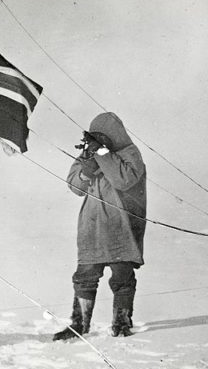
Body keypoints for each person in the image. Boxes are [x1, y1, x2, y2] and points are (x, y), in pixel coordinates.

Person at [53, 112, 146, 341]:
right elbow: (74, 187)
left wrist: (101, 155)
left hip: (121, 225)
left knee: (122, 276)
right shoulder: (90, 154)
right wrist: (86, 171)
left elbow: (124, 179)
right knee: (85, 276)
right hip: (92, 225)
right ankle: (79, 324)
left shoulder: (130, 154)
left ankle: (122, 323)